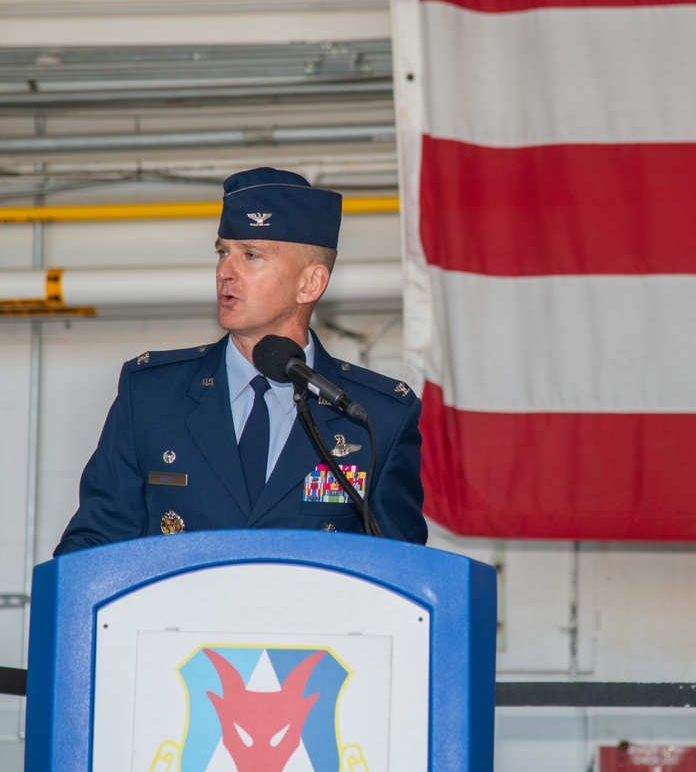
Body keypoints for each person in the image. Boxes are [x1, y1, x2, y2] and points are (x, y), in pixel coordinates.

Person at [54, 167, 426, 555]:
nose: (224, 273)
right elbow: (91, 548)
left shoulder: (373, 418)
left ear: (309, 283)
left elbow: (401, 574)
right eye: (222, 252)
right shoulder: (151, 395)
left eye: (251, 255)